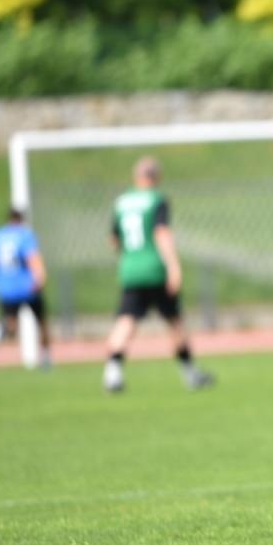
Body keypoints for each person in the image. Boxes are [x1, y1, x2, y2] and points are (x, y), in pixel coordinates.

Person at [102, 156, 214, 394]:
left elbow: (113, 240)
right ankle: (190, 373)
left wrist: (130, 257)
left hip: (130, 269)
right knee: (175, 321)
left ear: (136, 176)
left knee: (126, 320)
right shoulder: (156, 200)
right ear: (156, 177)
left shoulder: (122, 202)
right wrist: (174, 266)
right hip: (155, 269)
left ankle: (112, 372)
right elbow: (161, 233)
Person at [0, 207, 52, 369]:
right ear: (22, 220)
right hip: (28, 288)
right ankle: (46, 358)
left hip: (6, 289)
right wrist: (40, 277)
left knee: (12, 326)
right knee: (42, 324)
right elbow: (33, 259)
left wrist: (1, 279)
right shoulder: (25, 235)